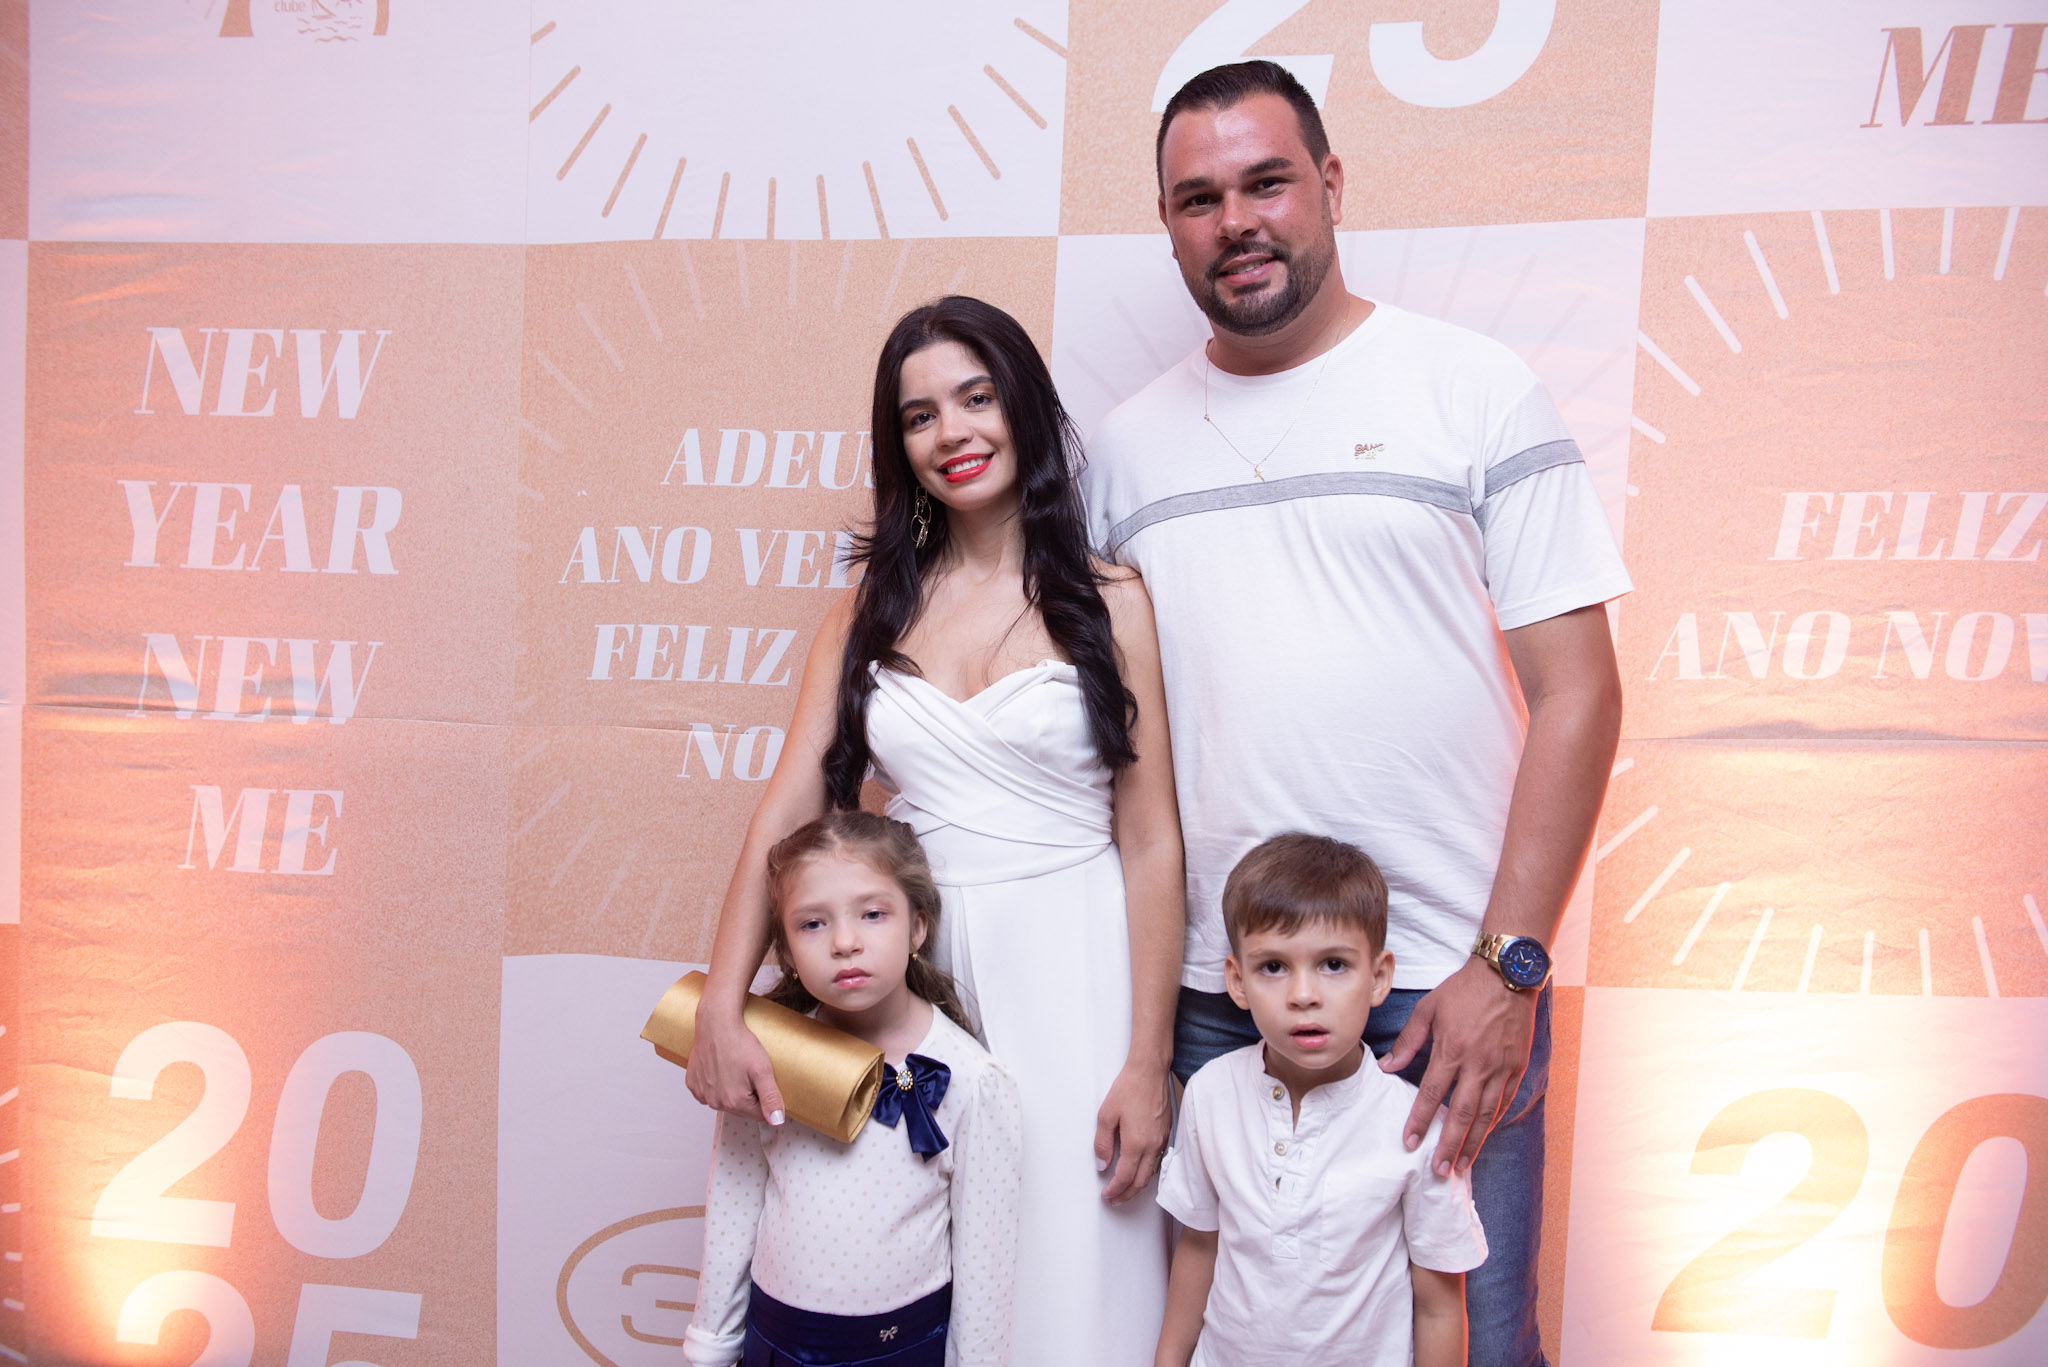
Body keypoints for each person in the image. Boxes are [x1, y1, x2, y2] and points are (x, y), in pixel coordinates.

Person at [1083, 61, 1628, 1367]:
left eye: (1266, 181)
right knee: (1235, 1341)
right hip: (1217, 993)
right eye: (1198, 198)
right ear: (1168, 224)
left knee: (1474, 1341)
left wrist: (1507, 966)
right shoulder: (1124, 450)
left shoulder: (1471, 386)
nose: (1236, 220)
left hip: (1440, 985)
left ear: (1329, 183)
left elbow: (1581, 692)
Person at [688, 296, 1184, 1363]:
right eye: (919, 416)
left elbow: (1152, 843)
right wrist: (721, 1001)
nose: (952, 431)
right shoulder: (867, 607)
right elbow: (788, 805)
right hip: (906, 969)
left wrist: (1150, 1059)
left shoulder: (1111, 600)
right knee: (900, 1257)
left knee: (1069, 1264)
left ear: (1024, 408)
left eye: (976, 397)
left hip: (1074, 967)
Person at [685, 812, 1024, 1366]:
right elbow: (734, 1199)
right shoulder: (765, 1057)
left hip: (900, 1351)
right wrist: (712, 1341)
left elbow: (986, 1263)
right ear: (787, 952)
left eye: (872, 914)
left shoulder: (973, 1080)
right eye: (812, 924)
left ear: (917, 928)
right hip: (774, 1343)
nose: (844, 942)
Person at [1154, 834, 1485, 1367]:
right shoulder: (1210, 1093)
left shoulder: (1416, 1126)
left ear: (1378, 977)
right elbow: (1198, 1244)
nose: (1303, 995)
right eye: (1273, 967)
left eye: (1333, 964)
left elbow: (1439, 1307)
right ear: (1237, 982)